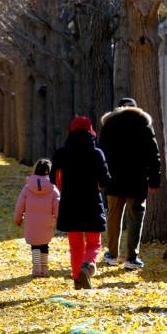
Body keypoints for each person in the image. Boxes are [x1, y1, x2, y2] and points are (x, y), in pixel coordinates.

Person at [97, 97, 161, 271]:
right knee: (136, 218)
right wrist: (154, 180)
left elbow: (101, 154)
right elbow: (153, 154)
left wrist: (101, 179)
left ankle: (112, 254)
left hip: (114, 180)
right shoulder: (143, 124)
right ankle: (132, 257)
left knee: (113, 217)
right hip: (137, 181)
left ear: (118, 108)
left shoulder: (109, 124)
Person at [50, 116, 110, 290]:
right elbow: (105, 180)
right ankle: (87, 265)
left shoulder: (61, 153)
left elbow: (54, 178)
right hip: (92, 204)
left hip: (70, 205)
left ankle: (77, 279)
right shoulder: (97, 153)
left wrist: (64, 187)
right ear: (91, 132)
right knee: (94, 243)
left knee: (75, 246)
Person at [14, 158, 60, 278]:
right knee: (44, 245)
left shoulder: (27, 188)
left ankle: (36, 268)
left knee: (34, 245)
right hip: (47, 221)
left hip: (31, 222)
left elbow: (19, 205)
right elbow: (57, 206)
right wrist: (58, 219)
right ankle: (44, 269)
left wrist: (18, 219)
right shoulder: (53, 189)